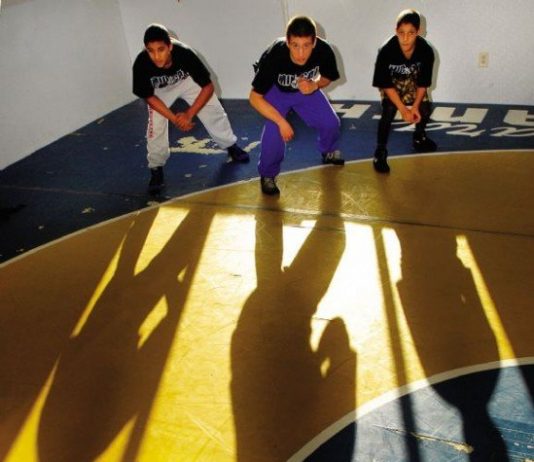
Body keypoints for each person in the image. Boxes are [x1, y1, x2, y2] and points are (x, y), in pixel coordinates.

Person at [132, 23, 249, 194]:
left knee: (213, 109)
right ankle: (156, 167)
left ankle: (230, 145)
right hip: (160, 90)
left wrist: (189, 114)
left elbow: (208, 87)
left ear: (170, 46)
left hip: (186, 81)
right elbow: (149, 98)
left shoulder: (185, 53)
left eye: (161, 49)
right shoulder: (141, 63)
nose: (156, 56)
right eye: (151, 51)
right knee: (155, 125)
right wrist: (174, 118)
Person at [250, 15, 344, 195]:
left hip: (305, 89)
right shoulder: (274, 55)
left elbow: (327, 77)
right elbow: (254, 97)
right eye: (295, 45)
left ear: (314, 42)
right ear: (287, 42)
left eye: (306, 45)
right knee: (273, 133)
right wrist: (281, 122)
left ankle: (327, 150)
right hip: (276, 91)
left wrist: (314, 85)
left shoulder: (324, 50)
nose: (301, 53)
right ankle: (268, 174)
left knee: (331, 123)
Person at [372, 9, 437, 174]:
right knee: (388, 110)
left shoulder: (426, 50)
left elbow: (423, 83)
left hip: (413, 80)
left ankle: (419, 137)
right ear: (396, 31)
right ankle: (380, 151)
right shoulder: (386, 50)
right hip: (393, 84)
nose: (405, 38)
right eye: (401, 33)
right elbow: (385, 84)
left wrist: (414, 107)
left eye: (411, 33)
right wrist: (403, 109)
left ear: (418, 32)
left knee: (424, 109)